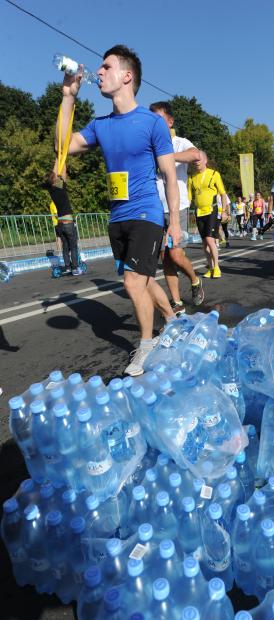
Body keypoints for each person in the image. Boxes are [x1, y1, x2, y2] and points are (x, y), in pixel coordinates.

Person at [55, 44, 181, 376]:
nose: (98, 72)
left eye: (106, 67)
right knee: (142, 278)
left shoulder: (152, 123)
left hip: (147, 215)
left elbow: (169, 174)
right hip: (118, 217)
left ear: (127, 76)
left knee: (132, 282)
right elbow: (63, 147)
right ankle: (170, 318)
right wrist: (68, 97)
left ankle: (146, 344)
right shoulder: (100, 125)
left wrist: (176, 222)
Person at [149, 101, 204, 314]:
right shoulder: (149, 146)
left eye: (159, 119)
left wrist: (167, 157)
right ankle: (177, 302)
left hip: (177, 207)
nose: (155, 124)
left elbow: (195, 155)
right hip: (155, 208)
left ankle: (195, 279)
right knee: (165, 258)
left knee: (176, 254)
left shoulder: (179, 142)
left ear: (170, 122)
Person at [187, 151, 228, 278]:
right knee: (204, 243)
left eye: (199, 160)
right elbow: (189, 197)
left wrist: (224, 211)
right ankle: (210, 268)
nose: (196, 162)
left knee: (210, 239)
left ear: (205, 160)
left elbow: (223, 194)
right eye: (195, 161)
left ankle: (216, 267)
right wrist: (184, 212)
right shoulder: (192, 177)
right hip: (199, 212)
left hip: (212, 210)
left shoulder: (214, 174)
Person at [43, 163, 81, 275]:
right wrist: (62, 160)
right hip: (68, 221)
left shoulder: (50, 189)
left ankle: (68, 267)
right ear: (54, 179)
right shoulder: (60, 188)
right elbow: (63, 172)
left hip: (59, 222)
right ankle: (75, 268)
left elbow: (54, 174)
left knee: (65, 246)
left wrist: (57, 159)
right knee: (73, 246)